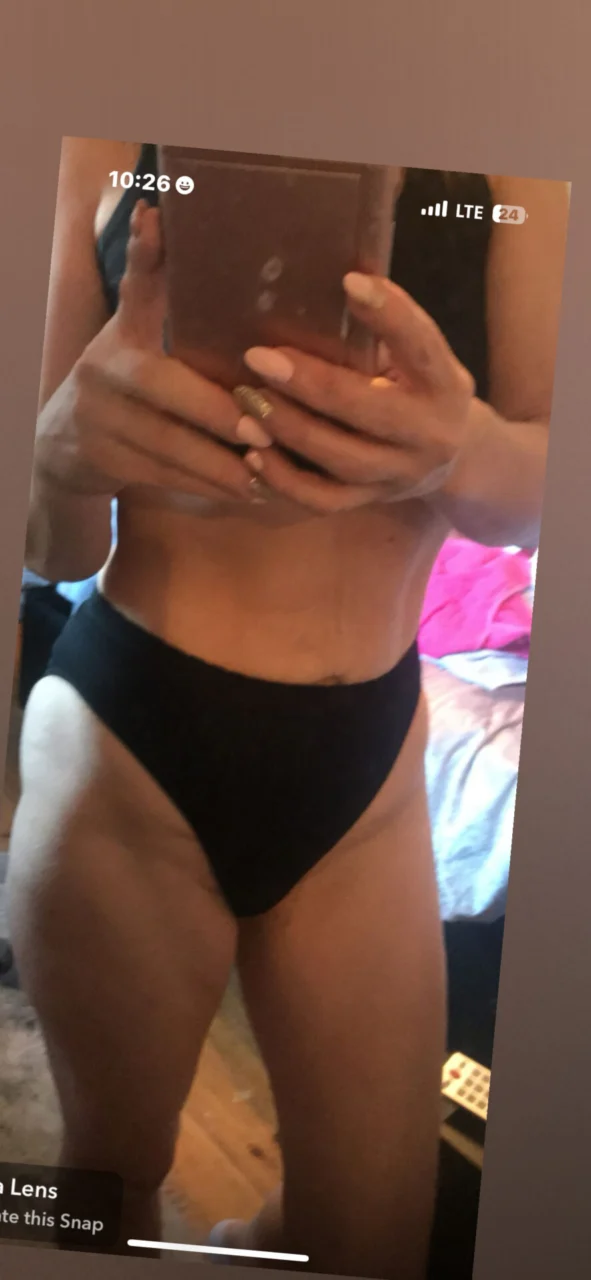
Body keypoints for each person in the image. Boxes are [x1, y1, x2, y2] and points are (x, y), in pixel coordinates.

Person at [6, 138, 568, 1280]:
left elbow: (538, 495)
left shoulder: (523, 160)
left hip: (367, 777)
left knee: (368, 1238)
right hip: (130, 741)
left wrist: (458, 450)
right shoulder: (97, 133)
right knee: (107, 1180)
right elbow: (53, 547)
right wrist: (56, 458)